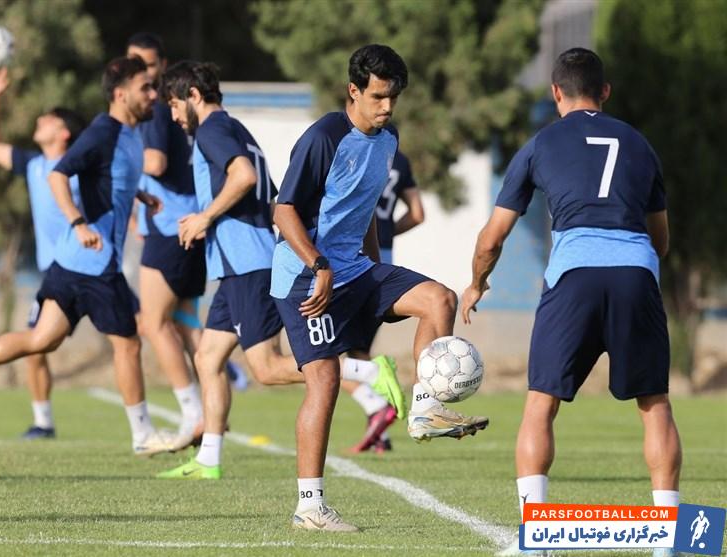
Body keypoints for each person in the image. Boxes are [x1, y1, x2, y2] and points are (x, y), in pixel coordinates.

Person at [458, 48, 681, 557]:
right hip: (636, 274)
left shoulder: (540, 143)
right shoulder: (640, 145)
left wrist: (477, 283)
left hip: (573, 277)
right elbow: (661, 239)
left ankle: (536, 543)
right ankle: (665, 543)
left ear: (556, 92)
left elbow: (492, 237)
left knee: (541, 404)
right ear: (605, 92)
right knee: (655, 405)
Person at [271, 44, 489, 531]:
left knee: (440, 299)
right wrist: (321, 264)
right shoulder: (323, 137)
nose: (387, 107)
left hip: (355, 268)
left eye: (393, 98)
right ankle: (310, 507)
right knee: (324, 382)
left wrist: (373, 268)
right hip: (306, 274)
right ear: (353, 91)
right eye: (378, 97)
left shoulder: (388, 140)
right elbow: (283, 212)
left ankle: (425, 409)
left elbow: (366, 205)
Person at [154, 61, 404, 481]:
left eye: (176, 106)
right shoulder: (233, 128)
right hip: (237, 261)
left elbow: (244, 176)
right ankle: (209, 460)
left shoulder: (212, 131)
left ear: (193, 97)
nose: (175, 117)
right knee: (207, 356)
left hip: (246, 261)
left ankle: (368, 371)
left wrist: (204, 218)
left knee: (267, 369)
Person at [0, 56, 175, 457]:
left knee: (41, 339)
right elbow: (59, 174)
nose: (153, 94)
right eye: (145, 87)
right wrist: (79, 222)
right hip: (94, 261)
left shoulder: (131, 135)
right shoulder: (103, 132)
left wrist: (140, 195)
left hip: (69, 263)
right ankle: (142, 434)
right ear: (119, 93)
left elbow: (107, 181)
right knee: (128, 344)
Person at [0, 67, 85, 440]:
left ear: (64, 133)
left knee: (141, 331)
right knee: (35, 345)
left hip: (88, 270)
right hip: (54, 276)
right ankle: (43, 422)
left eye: (48, 119)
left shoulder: (78, 170)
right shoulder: (35, 165)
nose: (39, 120)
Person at [126, 32, 207, 451]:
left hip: (172, 230)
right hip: (191, 227)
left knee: (152, 323)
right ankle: (212, 412)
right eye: (134, 63)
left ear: (162, 66)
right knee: (187, 327)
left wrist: (116, 157)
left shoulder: (157, 110)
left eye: (149, 64)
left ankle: (194, 414)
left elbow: (155, 162)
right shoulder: (180, 112)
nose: (142, 72)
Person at [342, 147, 426, 454]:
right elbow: (417, 213)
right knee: (358, 351)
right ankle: (381, 434)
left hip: (358, 258)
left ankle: (377, 407)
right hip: (385, 260)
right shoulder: (401, 159)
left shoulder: (355, 151)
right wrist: (387, 231)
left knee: (329, 355)